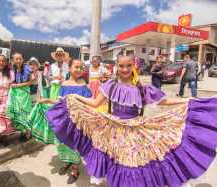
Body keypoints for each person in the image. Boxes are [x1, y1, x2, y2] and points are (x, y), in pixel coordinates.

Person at [46, 55, 217, 187]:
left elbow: (165, 102)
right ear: (117, 67)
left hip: (136, 132)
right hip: (113, 133)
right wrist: (74, 96)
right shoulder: (109, 86)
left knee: (134, 167)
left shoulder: (141, 88)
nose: (125, 69)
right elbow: (94, 103)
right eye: (121, 66)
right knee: (118, 167)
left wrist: (190, 101)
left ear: (133, 66)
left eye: (128, 65)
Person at [31, 59, 92, 184]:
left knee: (75, 144)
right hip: (64, 120)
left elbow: (89, 103)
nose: (79, 69)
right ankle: (67, 161)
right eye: (76, 67)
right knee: (62, 143)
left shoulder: (83, 84)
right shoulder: (64, 84)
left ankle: (75, 169)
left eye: (81, 67)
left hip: (78, 121)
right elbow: (59, 102)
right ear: (69, 68)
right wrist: (46, 100)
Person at [6, 53, 33, 141]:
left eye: (20, 59)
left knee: (26, 112)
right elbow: (10, 84)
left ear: (23, 59)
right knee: (19, 114)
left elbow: (31, 82)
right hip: (16, 95)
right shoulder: (11, 70)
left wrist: (17, 85)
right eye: (16, 59)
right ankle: (22, 131)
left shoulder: (28, 69)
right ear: (13, 60)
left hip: (25, 94)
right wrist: (16, 86)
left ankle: (28, 132)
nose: (18, 61)